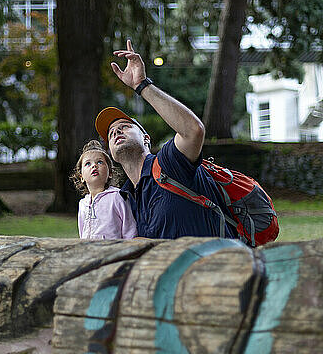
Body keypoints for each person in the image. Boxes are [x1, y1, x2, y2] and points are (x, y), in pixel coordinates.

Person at [95, 39, 238, 240]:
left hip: (219, 267)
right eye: (111, 134)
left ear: (146, 138)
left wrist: (141, 85)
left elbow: (193, 130)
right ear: (111, 154)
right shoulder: (124, 199)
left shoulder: (169, 163)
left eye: (125, 127)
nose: (116, 132)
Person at [71, 139, 137, 240]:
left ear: (110, 173)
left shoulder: (117, 197)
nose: (94, 165)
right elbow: (82, 235)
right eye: (88, 164)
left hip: (114, 253)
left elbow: (130, 231)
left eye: (100, 162)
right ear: (81, 177)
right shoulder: (83, 204)